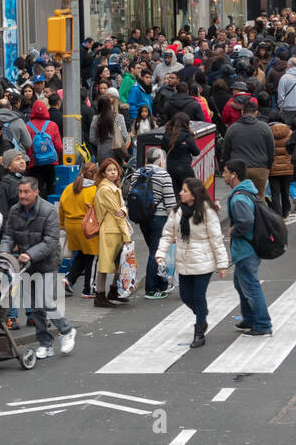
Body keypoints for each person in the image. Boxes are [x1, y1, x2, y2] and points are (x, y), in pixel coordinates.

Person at [0, 176, 78, 359]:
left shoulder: (49, 211)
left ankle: (66, 330)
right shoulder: (14, 210)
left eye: (26, 192)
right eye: (20, 192)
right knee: (34, 307)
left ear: (36, 192)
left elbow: (50, 241)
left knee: (45, 302)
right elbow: (8, 235)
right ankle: (45, 343)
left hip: (46, 262)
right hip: (25, 263)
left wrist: (31, 254)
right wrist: (4, 253)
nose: (23, 195)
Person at [156, 176, 228, 348]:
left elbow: (216, 239)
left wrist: (222, 264)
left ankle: (200, 331)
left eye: (185, 191)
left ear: (194, 194)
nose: (181, 193)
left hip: (203, 261)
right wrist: (161, 253)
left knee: (198, 295)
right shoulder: (177, 211)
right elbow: (167, 234)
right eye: (182, 190)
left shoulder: (207, 212)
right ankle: (202, 313)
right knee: (185, 296)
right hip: (184, 260)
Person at [223, 161, 272, 336]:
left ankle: (262, 323)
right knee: (239, 282)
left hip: (246, 248)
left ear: (234, 174)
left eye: (225, 172)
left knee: (250, 285)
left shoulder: (238, 198)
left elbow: (245, 222)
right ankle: (250, 318)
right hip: (250, 247)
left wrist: (233, 231)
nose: (223, 175)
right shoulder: (247, 192)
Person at [132, 148, 177, 299]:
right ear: (159, 159)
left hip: (143, 219)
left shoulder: (137, 173)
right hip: (160, 218)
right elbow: (170, 203)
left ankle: (160, 284)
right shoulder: (164, 175)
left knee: (154, 249)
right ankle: (151, 289)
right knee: (155, 252)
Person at [92, 157, 132, 308]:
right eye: (109, 170)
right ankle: (101, 295)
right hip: (111, 230)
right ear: (103, 173)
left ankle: (112, 291)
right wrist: (127, 235)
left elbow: (121, 209)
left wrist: (123, 210)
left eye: (114, 169)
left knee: (118, 262)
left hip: (114, 230)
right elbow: (118, 213)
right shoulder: (106, 189)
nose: (113, 172)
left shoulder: (112, 188)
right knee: (106, 264)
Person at [58, 163, 98, 297]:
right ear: (94, 175)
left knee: (82, 253)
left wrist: (62, 224)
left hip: (70, 226)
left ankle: (69, 279)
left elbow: (61, 207)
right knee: (92, 256)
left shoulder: (70, 187)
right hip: (87, 227)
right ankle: (89, 288)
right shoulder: (94, 190)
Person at [222, 98, 275, 195]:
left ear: (242, 112)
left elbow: (226, 149)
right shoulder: (265, 128)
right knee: (259, 197)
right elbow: (271, 149)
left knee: (239, 195)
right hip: (259, 168)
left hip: (238, 169)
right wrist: (269, 166)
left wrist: (226, 166)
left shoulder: (233, 128)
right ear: (256, 113)